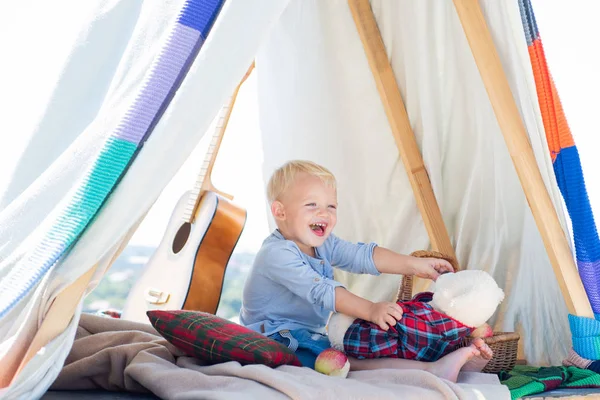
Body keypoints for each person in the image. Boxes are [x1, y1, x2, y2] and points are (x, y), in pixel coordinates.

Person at [239, 160, 492, 382]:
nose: (323, 213)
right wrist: (371, 310)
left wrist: (413, 265)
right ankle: (431, 370)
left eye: (331, 206)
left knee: (363, 343)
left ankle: (446, 362)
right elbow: (323, 291)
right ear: (280, 212)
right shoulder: (277, 254)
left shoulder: (324, 244)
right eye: (311, 204)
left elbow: (362, 255)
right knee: (344, 359)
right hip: (274, 336)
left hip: (304, 333)